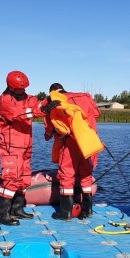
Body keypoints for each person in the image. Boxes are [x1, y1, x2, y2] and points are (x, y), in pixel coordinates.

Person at [0, 70, 47, 226]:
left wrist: (50, 102)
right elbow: (19, 114)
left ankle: (17, 209)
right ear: (11, 87)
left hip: (26, 145)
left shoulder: (28, 98)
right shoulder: (5, 101)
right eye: (19, 89)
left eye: (24, 88)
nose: (22, 91)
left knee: (24, 179)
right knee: (11, 179)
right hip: (12, 146)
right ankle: (2, 214)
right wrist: (40, 110)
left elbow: (37, 105)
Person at [43, 83, 101, 221]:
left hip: (70, 142)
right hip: (90, 140)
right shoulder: (84, 98)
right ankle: (88, 210)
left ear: (52, 92)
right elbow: (97, 114)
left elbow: (49, 132)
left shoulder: (54, 101)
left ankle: (65, 212)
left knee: (66, 175)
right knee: (86, 174)